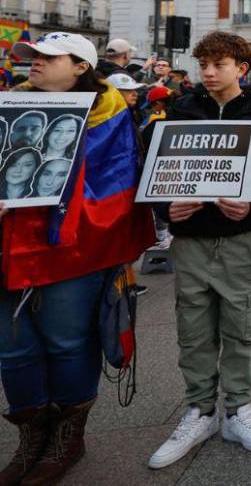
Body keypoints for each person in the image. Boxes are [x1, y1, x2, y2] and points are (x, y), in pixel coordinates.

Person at [1, 32, 153, 483]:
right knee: (13, 348)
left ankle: (68, 435)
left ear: (82, 67)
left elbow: (116, 186)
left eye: (49, 57)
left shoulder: (110, 117)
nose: (35, 63)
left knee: (67, 343)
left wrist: (46, 198)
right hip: (7, 246)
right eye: (31, 57)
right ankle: (31, 437)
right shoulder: (8, 107)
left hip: (74, 251)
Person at [148, 32, 251, 469]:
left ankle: (238, 408)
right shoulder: (181, 108)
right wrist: (164, 206)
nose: (208, 73)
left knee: (241, 322)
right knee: (192, 325)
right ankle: (199, 410)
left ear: (241, 69)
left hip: (242, 237)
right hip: (191, 238)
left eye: (219, 65)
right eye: (203, 65)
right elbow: (154, 170)